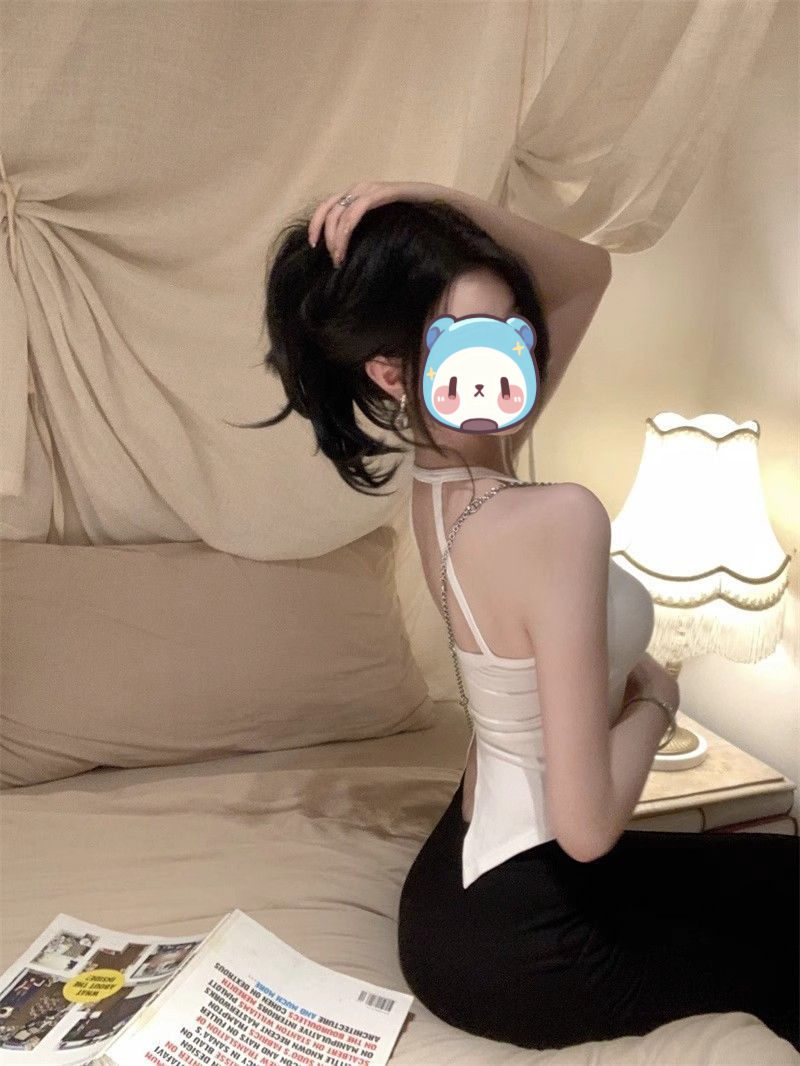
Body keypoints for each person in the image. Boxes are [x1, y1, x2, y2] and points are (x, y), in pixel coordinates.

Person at [234, 181, 800, 1052]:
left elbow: (586, 272)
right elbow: (587, 828)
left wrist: (421, 201)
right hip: (527, 942)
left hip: (462, 882)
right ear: (392, 373)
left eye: (513, 334)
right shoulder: (555, 516)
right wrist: (659, 700)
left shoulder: (443, 473)